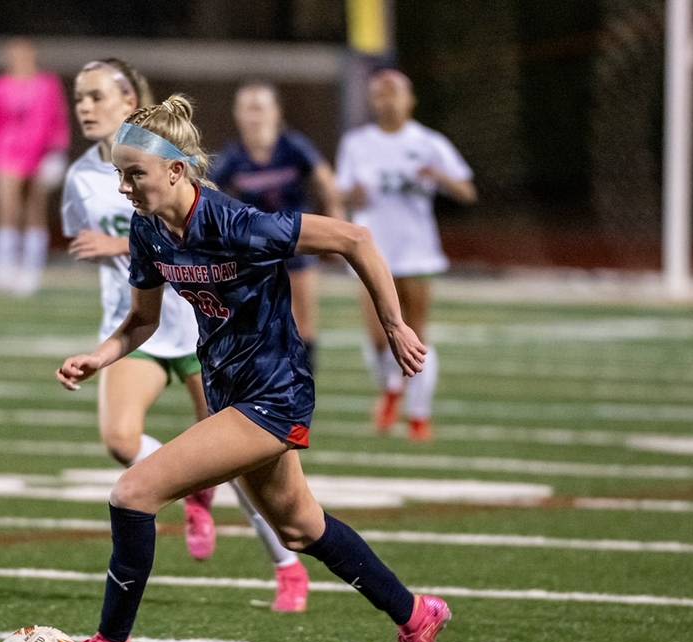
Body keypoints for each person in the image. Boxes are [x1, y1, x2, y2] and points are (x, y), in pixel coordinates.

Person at [56, 94, 451, 642]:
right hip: (230, 390)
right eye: (119, 174)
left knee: (133, 492)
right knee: (299, 527)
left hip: (273, 395)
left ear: (176, 171)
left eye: (135, 174)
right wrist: (100, 357)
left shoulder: (237, 224)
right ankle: (416, 615)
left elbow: (354, 238)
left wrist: (394, 324)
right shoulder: (148, 230)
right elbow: (142, 321)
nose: (126, 187)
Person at [61, 59, 310, 613]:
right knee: (121, 440)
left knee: (241, 462)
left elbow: (187, 234)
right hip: (137, 328)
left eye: (96, 96)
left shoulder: (165, 162)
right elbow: (137, 254)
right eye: (79, 97)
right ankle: (189, 486)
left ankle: (287, 567)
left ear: (130, 101)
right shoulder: (79, 178)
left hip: (203, 328)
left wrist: (117, 246)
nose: (84, 107)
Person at [335, 69, 477, 441]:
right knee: (378, 338)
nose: (386, 100)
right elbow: (340, 191)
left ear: (410, 99)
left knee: (417, 334)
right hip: (371, 251)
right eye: (379, 94)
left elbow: (466, 191)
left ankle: (418, 416)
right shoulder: (357, 143)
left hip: (417, 251)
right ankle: (391, 391)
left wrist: (440, 177)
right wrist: (353, 199)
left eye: (393, 92)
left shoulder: (429, 142)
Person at [210, 82, 345, 373]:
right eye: (248, 108)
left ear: (276, 113)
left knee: (304, 319)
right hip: (256, 247)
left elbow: (326, 181)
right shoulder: (234, 157)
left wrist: (336, 218)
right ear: (238, 115)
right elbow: (208, 195)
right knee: (257, 319)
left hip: (297, 241)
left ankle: (303, 385)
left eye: (260, 107)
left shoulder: (293, 146)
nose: (254, 116)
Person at [0, 38, 70, 296]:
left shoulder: (48, 84)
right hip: (6, 152)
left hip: (38, 152)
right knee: (6, 209)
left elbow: (56, 118)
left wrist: (57, 152)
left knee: (33, 210)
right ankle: (4, 268)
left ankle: (31, 271)